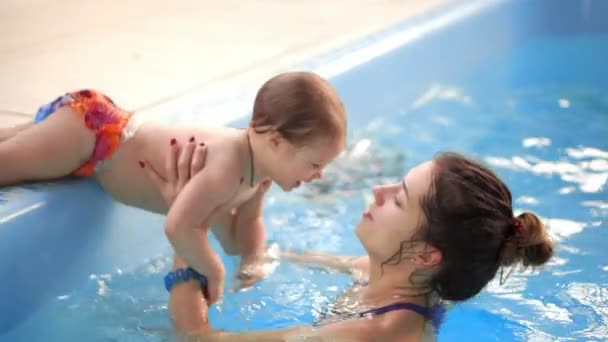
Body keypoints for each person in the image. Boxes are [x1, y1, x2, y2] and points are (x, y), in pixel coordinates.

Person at [0, 71, 347, 304]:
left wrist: (251, 261)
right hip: (93, 138)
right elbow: (180, 225)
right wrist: (215, 270)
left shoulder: (260, 173)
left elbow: (247, 224)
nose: (319, 175)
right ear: (275, 141)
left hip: (96, 134)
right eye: (315, 164)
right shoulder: (226, 167)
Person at [155, 147, 554, 341]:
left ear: (425, 254)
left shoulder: (367, 333)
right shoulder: (406, 275)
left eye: (398, 198)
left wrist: (186, 231)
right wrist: (251, 206)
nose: (378, 191)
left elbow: (198, 339)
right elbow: (275, 257)